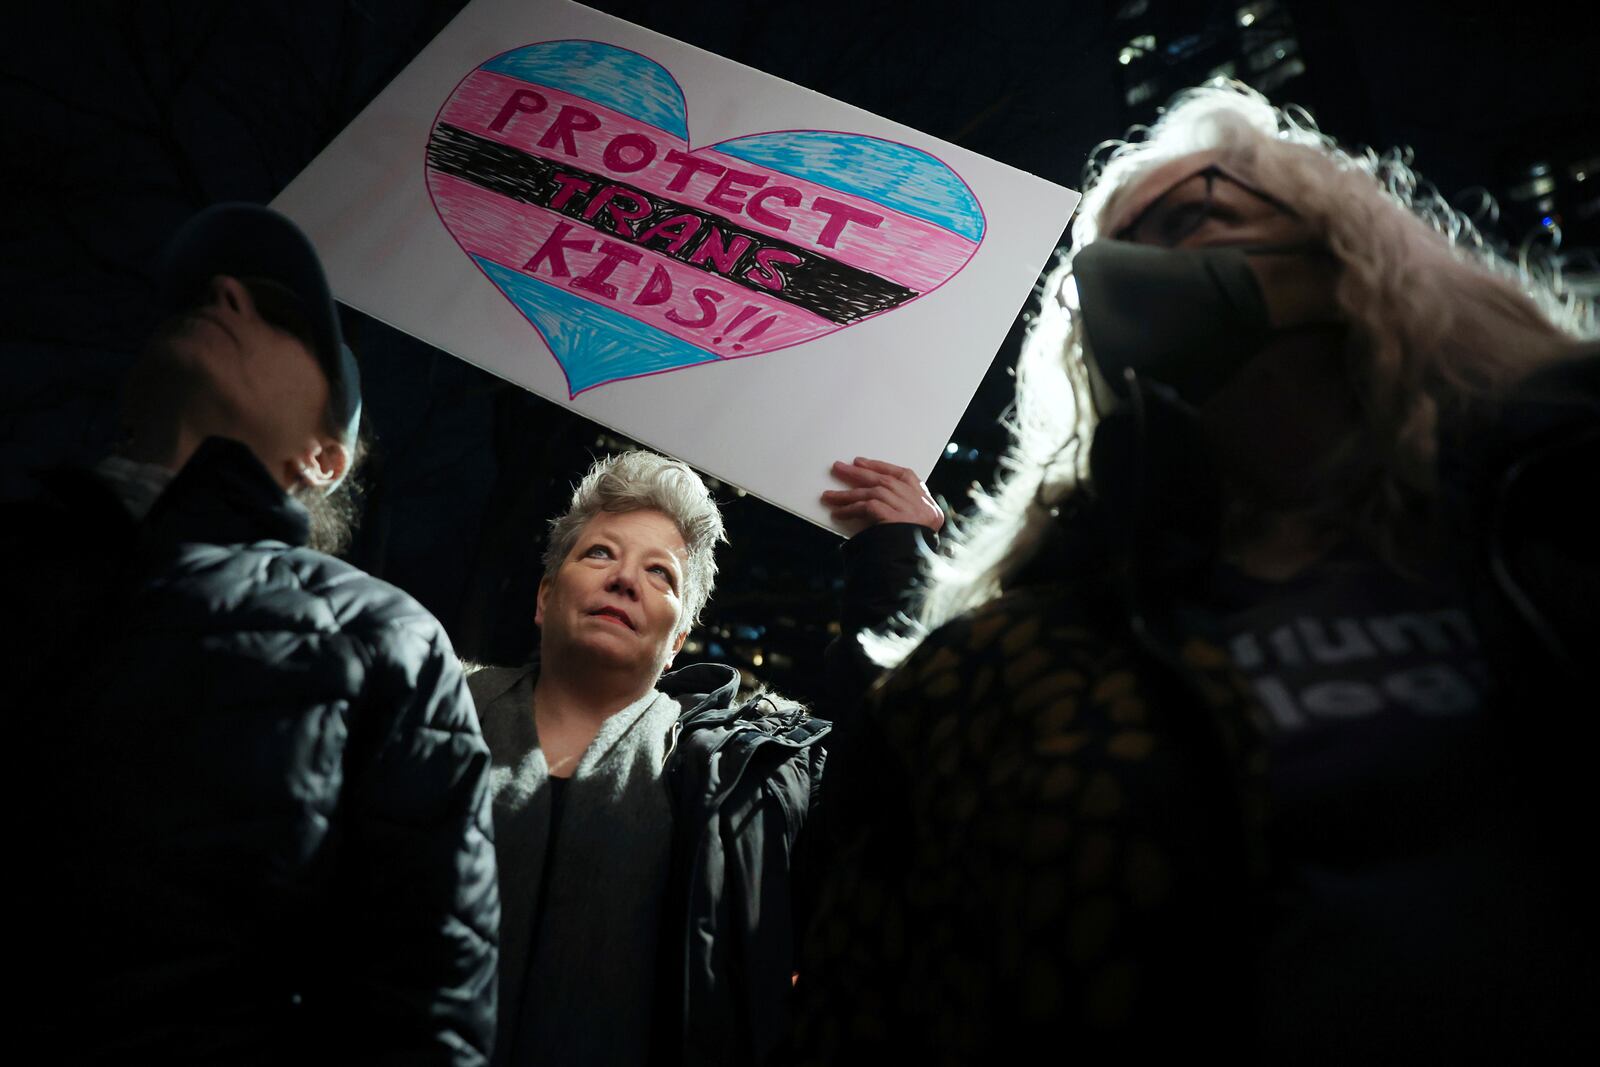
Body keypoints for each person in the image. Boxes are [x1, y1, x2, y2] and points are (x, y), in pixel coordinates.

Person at [790, 82, 1597, 1063]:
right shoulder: (1036, 649)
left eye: (1197, 216)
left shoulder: (1562, 508)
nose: (1142, 271)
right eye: (1117, 256)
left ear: (1346, 244)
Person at [7, 204, 500, 1063]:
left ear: (324, 456)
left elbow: (424, 1015)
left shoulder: (390, 644)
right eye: (207, 291)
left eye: (280, 315)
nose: (223, 291)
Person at [467, 449, 941, 1066]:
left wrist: (899, 560)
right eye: (600, 553)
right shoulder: (431, 711)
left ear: (678, 642)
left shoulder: (748, 779)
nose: (625, 579)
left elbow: (892, 774)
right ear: (545, 596)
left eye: (661, 574)